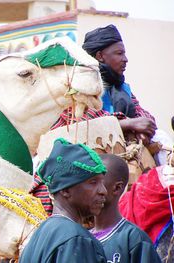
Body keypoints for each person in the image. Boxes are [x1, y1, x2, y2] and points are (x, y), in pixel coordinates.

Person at [31, 24, 159, 215]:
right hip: (81, 154)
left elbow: (145, 117)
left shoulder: (124, 89)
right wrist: (128, 124)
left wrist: (142, 125)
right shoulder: (80, 87)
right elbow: (76, 120)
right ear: (100, 56)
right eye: (119, 53)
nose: (125, 59)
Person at [19, 138, 108, 263]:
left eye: (102, 182)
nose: (103, 191)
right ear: (65, 190)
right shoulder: (76, 240)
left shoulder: (40, 233)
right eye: (93, 182)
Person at [91, 154, 161, 263]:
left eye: (96, 182)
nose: (89, 189)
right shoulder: (81, 238)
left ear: (117, 188)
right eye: (88, 182)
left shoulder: (134, 240)